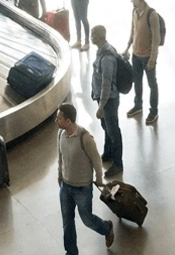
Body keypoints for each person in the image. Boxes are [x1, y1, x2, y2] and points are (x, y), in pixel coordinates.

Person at [55, 103, 114, 254]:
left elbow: (96, 161)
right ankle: (71, 252)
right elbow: (60, 157)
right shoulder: (60, 135)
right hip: (65, 187)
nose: (57, 121)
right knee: (67, 223)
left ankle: (107, 228)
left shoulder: (85, 138)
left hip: (82, 188)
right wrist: (60, 175)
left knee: (87, 219)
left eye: (60, 118)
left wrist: (99, 179)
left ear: (69, 121)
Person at [123, 0, 161, 124]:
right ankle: (138, 105)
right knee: (137, 82)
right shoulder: (134, 11)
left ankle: (153, 111)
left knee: (152, 84)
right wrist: (128, 47)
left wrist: (153, 58)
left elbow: (156, 39)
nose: (131, 1)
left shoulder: (152, 15)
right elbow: (133, 30)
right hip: (136, 55)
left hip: (147, 57)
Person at [90, 26, 123, 177]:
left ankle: (117, 163)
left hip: (108, 100)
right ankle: (108, 153)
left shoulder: (107, 58)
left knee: (113, 131)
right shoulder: (102, 52)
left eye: (93, 35)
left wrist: (101, 106)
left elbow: (106, 84)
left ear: (99, 36)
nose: (91, 38)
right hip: (103, 98)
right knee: (106, 127)